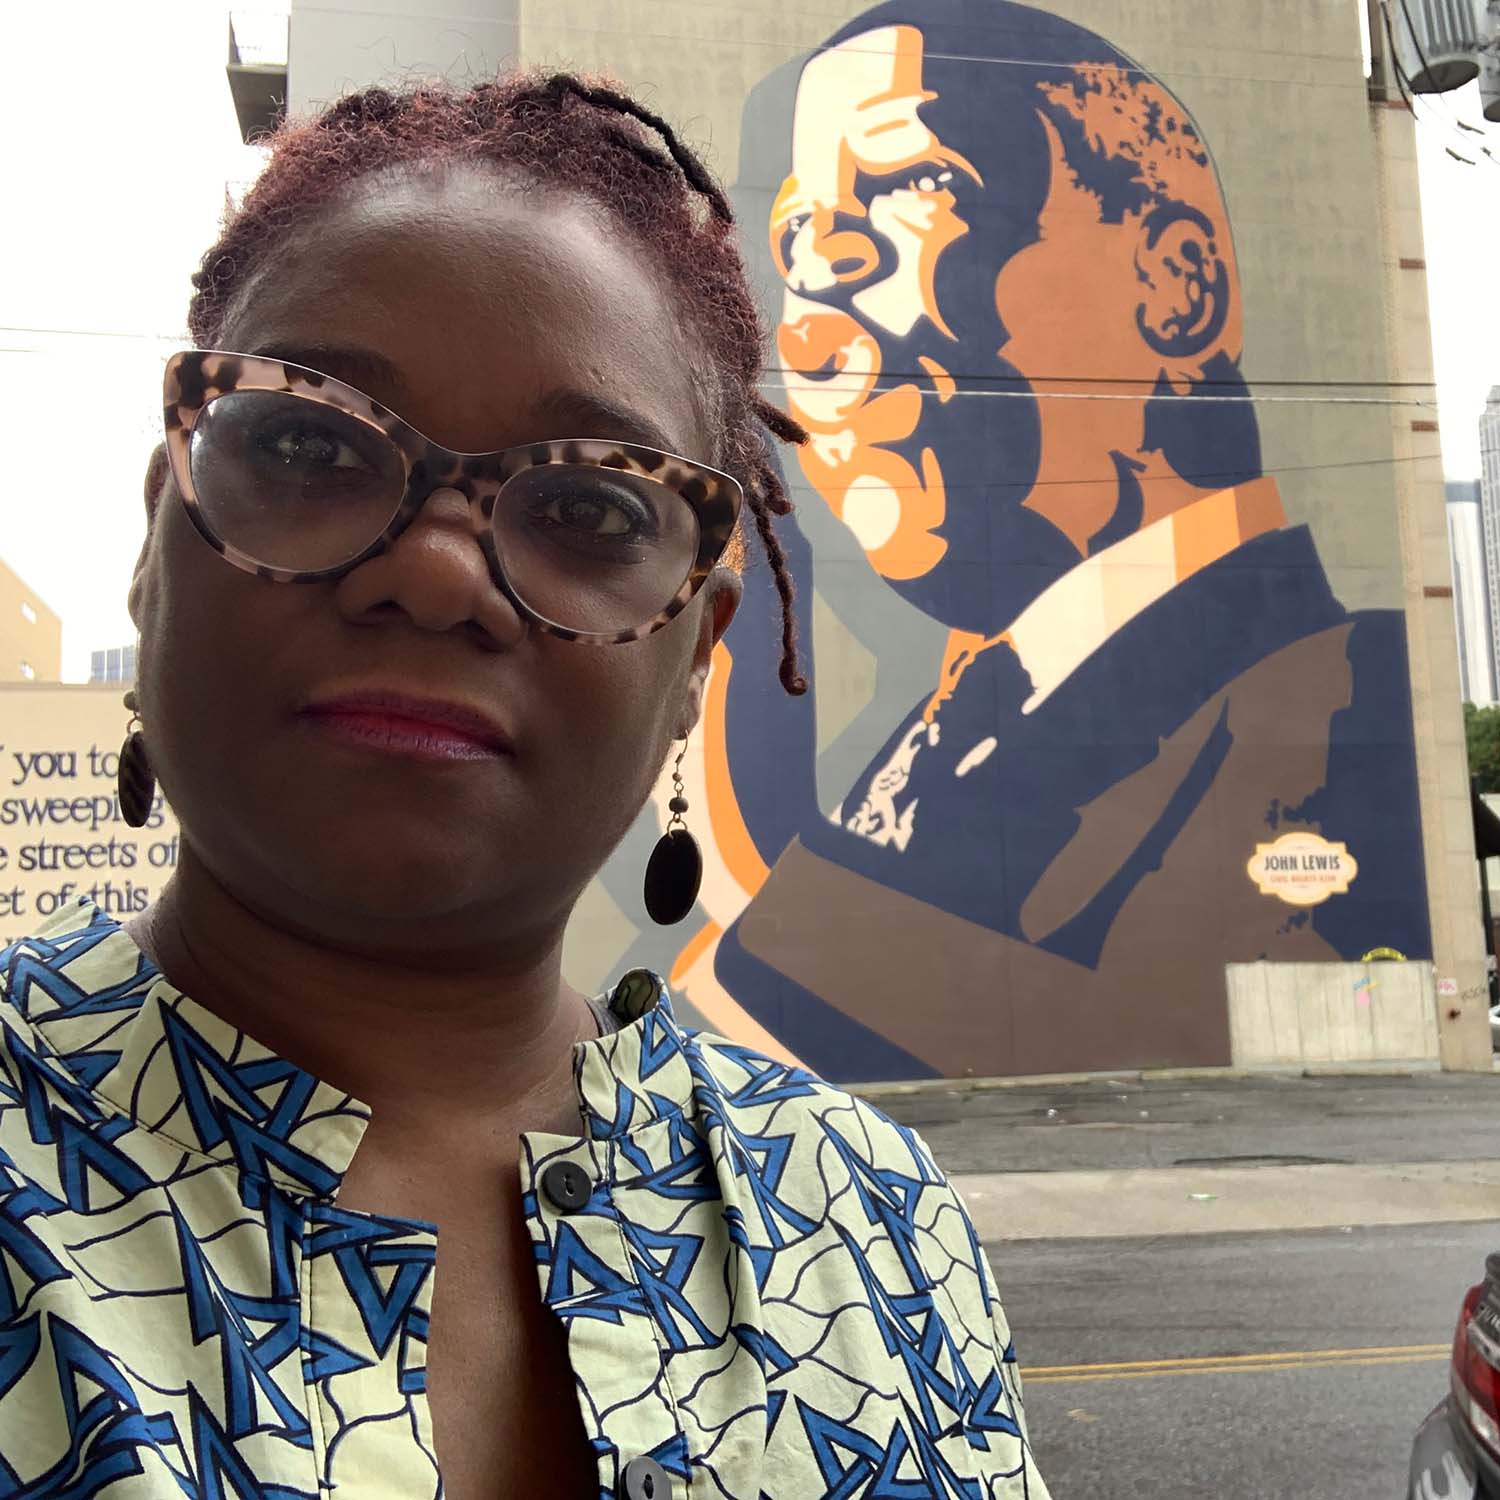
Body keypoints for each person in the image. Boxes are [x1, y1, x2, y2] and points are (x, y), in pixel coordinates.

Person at [0, 74, 1049, 1499]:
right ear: (157, 533)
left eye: (588, 507)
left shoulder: (871, 1218)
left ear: (695, 650)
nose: (433, 572)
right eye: (309, 440)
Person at [689, 1, 1431, 1082]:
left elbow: (1154, 1027)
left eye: (909, 187)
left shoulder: (1332, 699)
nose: (809, 312)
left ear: (1177, 289)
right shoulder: (962, 711)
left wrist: (749, 850)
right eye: (798, 239)